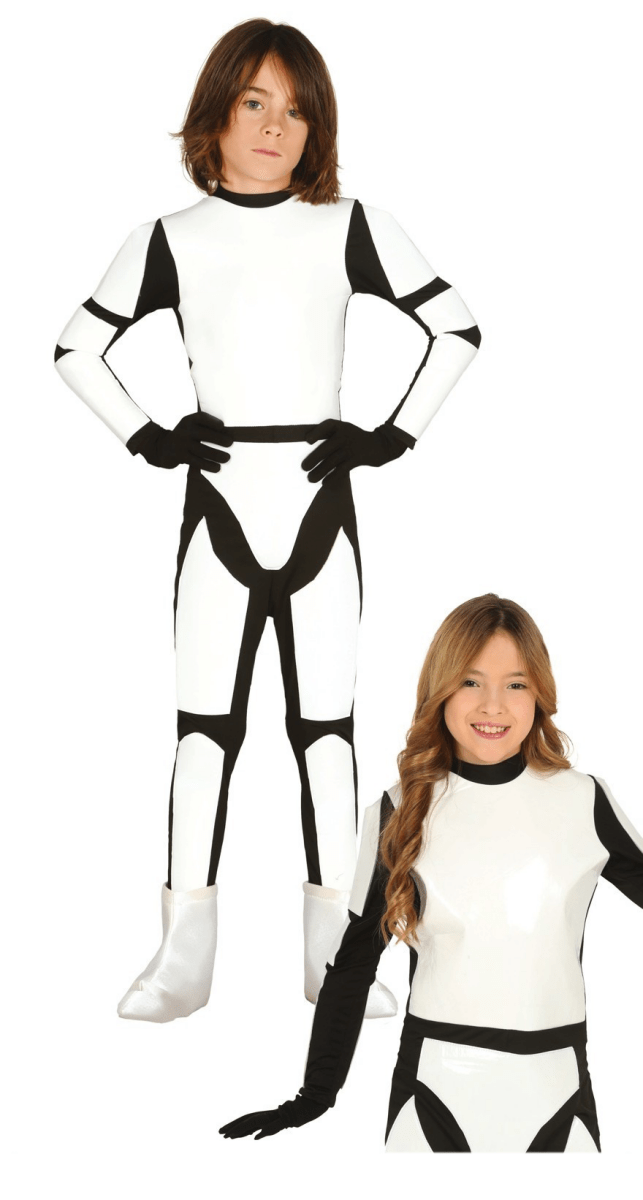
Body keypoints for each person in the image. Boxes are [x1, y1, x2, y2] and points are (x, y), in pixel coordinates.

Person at [53, 19, 480, 1023]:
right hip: (220, 505)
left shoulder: (350, 227)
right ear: (215, 113)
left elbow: (457, 327)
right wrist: (149, 436)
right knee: (203, 734)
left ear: (316, 126)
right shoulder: (168, 241)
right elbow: (76, 351)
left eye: (296, 109)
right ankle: (180, 959)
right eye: (254, 102)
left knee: (326, 736)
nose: (275, 126)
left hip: (319, 503)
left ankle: (337, 955)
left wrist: (391, 435)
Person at [220, 593, 643, 1152]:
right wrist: (315, 1095)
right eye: (471, 681)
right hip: (434, 1094)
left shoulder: (584, 801)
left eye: (516, 684)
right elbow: (354, 964)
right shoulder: (399, 809)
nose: (493, 705)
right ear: (440, 690)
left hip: (558, 1093)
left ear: (540, 693)